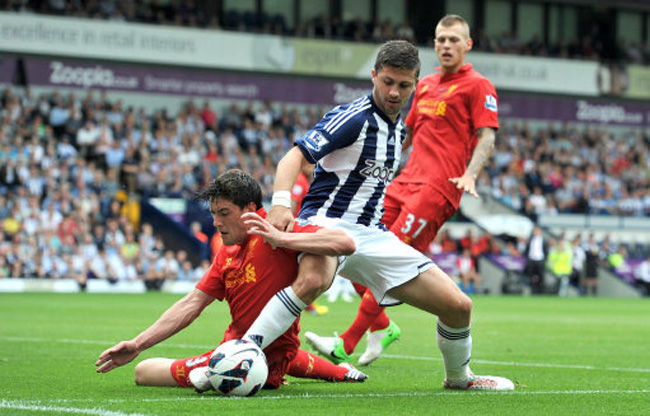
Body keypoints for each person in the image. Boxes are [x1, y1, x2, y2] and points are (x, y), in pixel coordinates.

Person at [242, 39, 513, 390]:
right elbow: (294, 157)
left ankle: (460, 379)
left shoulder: (398, 130)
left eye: (403, 85)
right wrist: (281, 203)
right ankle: (245, 349)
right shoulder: (353, 118)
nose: (394, 92)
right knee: (314, 280)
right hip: (326, 222)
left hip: (373, 234)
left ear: (416, 83)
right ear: (373, 76)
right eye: (387, 81)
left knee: (459, 305)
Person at [306, 13, 500, 366]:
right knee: (353, 248)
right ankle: (381, 326)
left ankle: (345, 345)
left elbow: (487, 135)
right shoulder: (422, 85)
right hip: (401, 183)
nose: (446, 45)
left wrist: (471, 174)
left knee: (384, 256)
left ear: (467, 45)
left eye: (454, 40)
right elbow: (402, 136)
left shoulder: (478, 86)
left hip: (437, 188)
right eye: (441, 39)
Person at [95, 170, 367, 392]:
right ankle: (339, 371)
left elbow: (344, 242)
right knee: (142, 370)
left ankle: (337, 370)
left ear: (250, 209)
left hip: (255, 358)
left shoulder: (278, 227)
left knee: (152, 373)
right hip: (238, 354)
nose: (215, 222)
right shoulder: (225, 253)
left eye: (223, 213)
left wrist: (282, 239)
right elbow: (192, 304)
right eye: (213, 213)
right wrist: (138, 344)